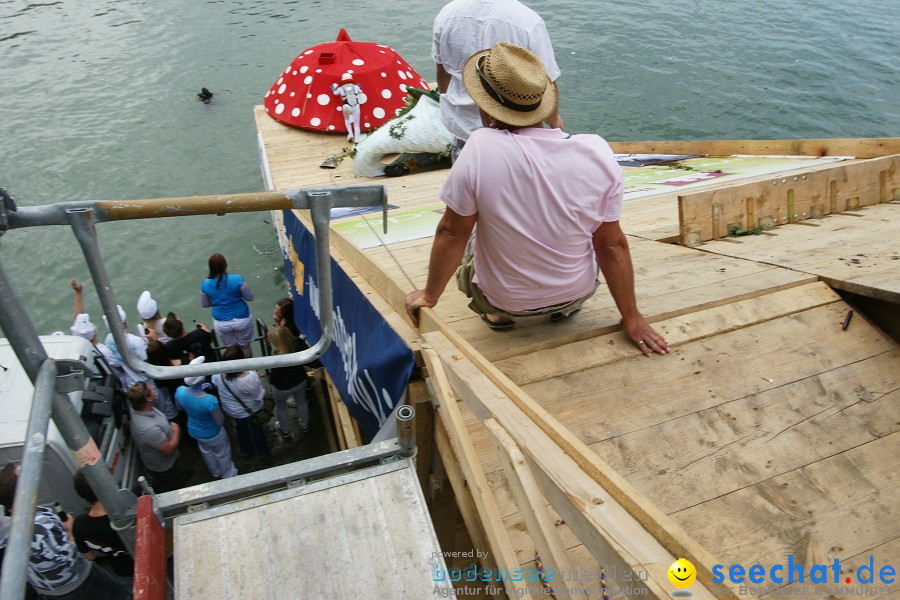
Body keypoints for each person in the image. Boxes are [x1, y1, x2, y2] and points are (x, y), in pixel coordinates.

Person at [404, 43, 669, 357]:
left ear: (486, 108)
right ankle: (563, 309)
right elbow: (611, 246)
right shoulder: (597, 151)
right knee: (587, 233)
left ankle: (499, 316)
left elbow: (451, 233)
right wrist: (633, 317)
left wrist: (430, 295)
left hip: (504, 299)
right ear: (544, 102)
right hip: (576, 292)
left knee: (470, 227)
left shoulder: (480, 148)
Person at [432, 0, 563, 161]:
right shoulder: (527, 20)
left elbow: (443, 72)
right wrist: (554, 121)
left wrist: (448, 102)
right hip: (516, 130)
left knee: (467, 180)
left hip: (463, 127)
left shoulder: (447, 14)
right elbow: (546, 79)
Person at [0, 464, 131, 600]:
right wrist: (71, 531)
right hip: (78, 586)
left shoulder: (7, 526)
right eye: (27, 477)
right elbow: (68, 557)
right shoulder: (40, 524)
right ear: (23, 493)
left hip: (47, 590)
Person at [174, 357, 237, 479]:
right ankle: (228, 475)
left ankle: (215, 472)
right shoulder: (209, 401)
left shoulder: (180, 391)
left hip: (194, 430)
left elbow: (179, 408)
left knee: (207, 453)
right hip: (213, 433)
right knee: (222, 454)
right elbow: (220, 421)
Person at [71, 469, 134, 587]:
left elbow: (89, 556)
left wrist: (72, 534)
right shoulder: (128, 508)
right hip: (150, 560)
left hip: (123, 572)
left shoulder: (81, 526)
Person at [127, 382, 189, 493]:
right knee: (174, 489)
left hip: (168, 463)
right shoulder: (149, 429)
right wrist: (176, 431)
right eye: (152, 390)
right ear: (148, 398)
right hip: (165, 468)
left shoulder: (143, 410)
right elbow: (169, 449)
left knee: (176, 476)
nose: (155, 391)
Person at [211, 346, 271, 458]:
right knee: (257, 429)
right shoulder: (249, 377)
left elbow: (216, 386)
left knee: (240, 429)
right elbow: (258, 396)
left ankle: (245, 450)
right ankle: (262, 452)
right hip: (252, 410)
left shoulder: (217, 375)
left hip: (233, 410)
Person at [200, 253, 255, 358]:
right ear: (225, 264)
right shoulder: (237, 279)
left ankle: (235, 372)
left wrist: (217, 301)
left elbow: (205, 304)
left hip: (222, 322)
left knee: (231, 349)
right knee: (245, 347)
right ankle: (250, 370)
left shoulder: (205, 284)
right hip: (242, 319)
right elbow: (249, 297)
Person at [266, 326, 313, 441]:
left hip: (283, 387)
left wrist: (272, 383)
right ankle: (305, 425)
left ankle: (285, 430)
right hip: (300, 380)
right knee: (301, 402)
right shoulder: (297, 342)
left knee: (281, 407)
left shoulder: (277, 356)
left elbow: (274, 378)